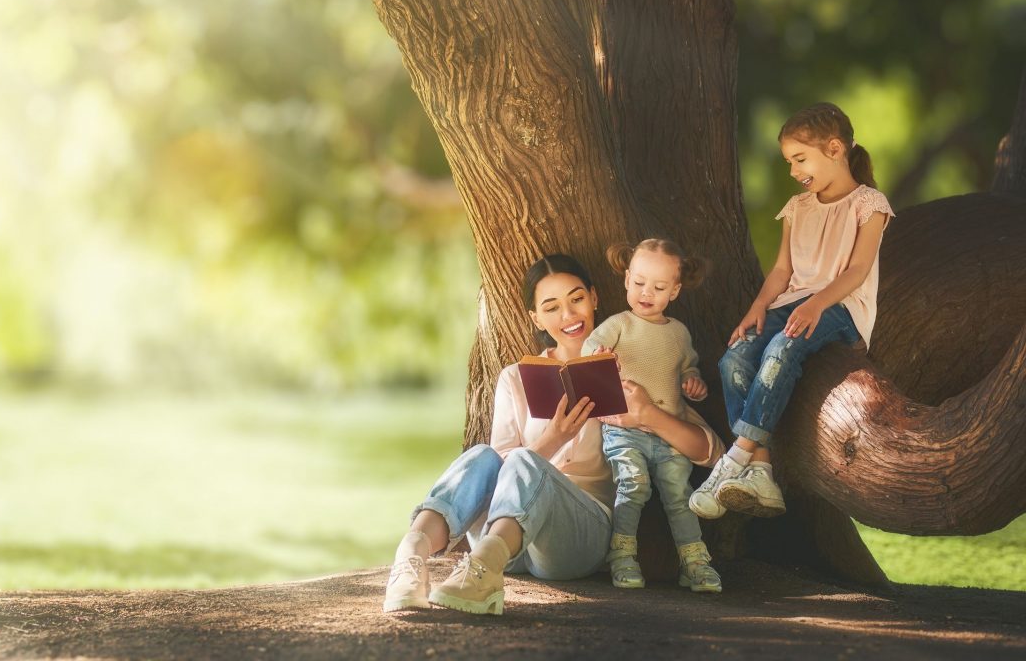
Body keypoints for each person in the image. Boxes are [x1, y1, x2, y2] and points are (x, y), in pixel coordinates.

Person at [383, 254, 721, 615]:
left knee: (523, 460)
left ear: (593, 297)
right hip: (501, 542)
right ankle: (409, 562)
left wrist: (648, 413)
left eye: (576, 299)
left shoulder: (633, 372)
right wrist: (556, 437)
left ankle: (481, 573)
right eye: (552, 307)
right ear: (536, 318)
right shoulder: (515, 378)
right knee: (483, 456)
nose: (568, 316)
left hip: (574, 539)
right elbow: (499, 470)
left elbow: (711, 452)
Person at [690, 102, 894, 520]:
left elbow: (857, 271)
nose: (793, 170)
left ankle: (732, 461)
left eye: (800, 159)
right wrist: (758, 308)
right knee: (734, 359)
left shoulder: (869, 204)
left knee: (781, 350)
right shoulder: (797, 208)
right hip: (792, 303)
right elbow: (782, 270)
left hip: (840, 307)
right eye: (788, 161)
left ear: (835, 148)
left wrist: (819, 303)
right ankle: (762, 471)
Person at [583, 239, 726, 593]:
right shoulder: (620, 325)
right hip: (624, 429)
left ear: (675, 290)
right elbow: (589, 351)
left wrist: (693, 383)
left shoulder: (678, 333)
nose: (647, 293)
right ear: (627, 279)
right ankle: (621, 556)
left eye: (659, 287)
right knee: (634, 486)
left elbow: (688, 369)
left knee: (679, 493)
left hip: (667, 430)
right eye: (640, 283)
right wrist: (599, 356)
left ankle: (695, 562)